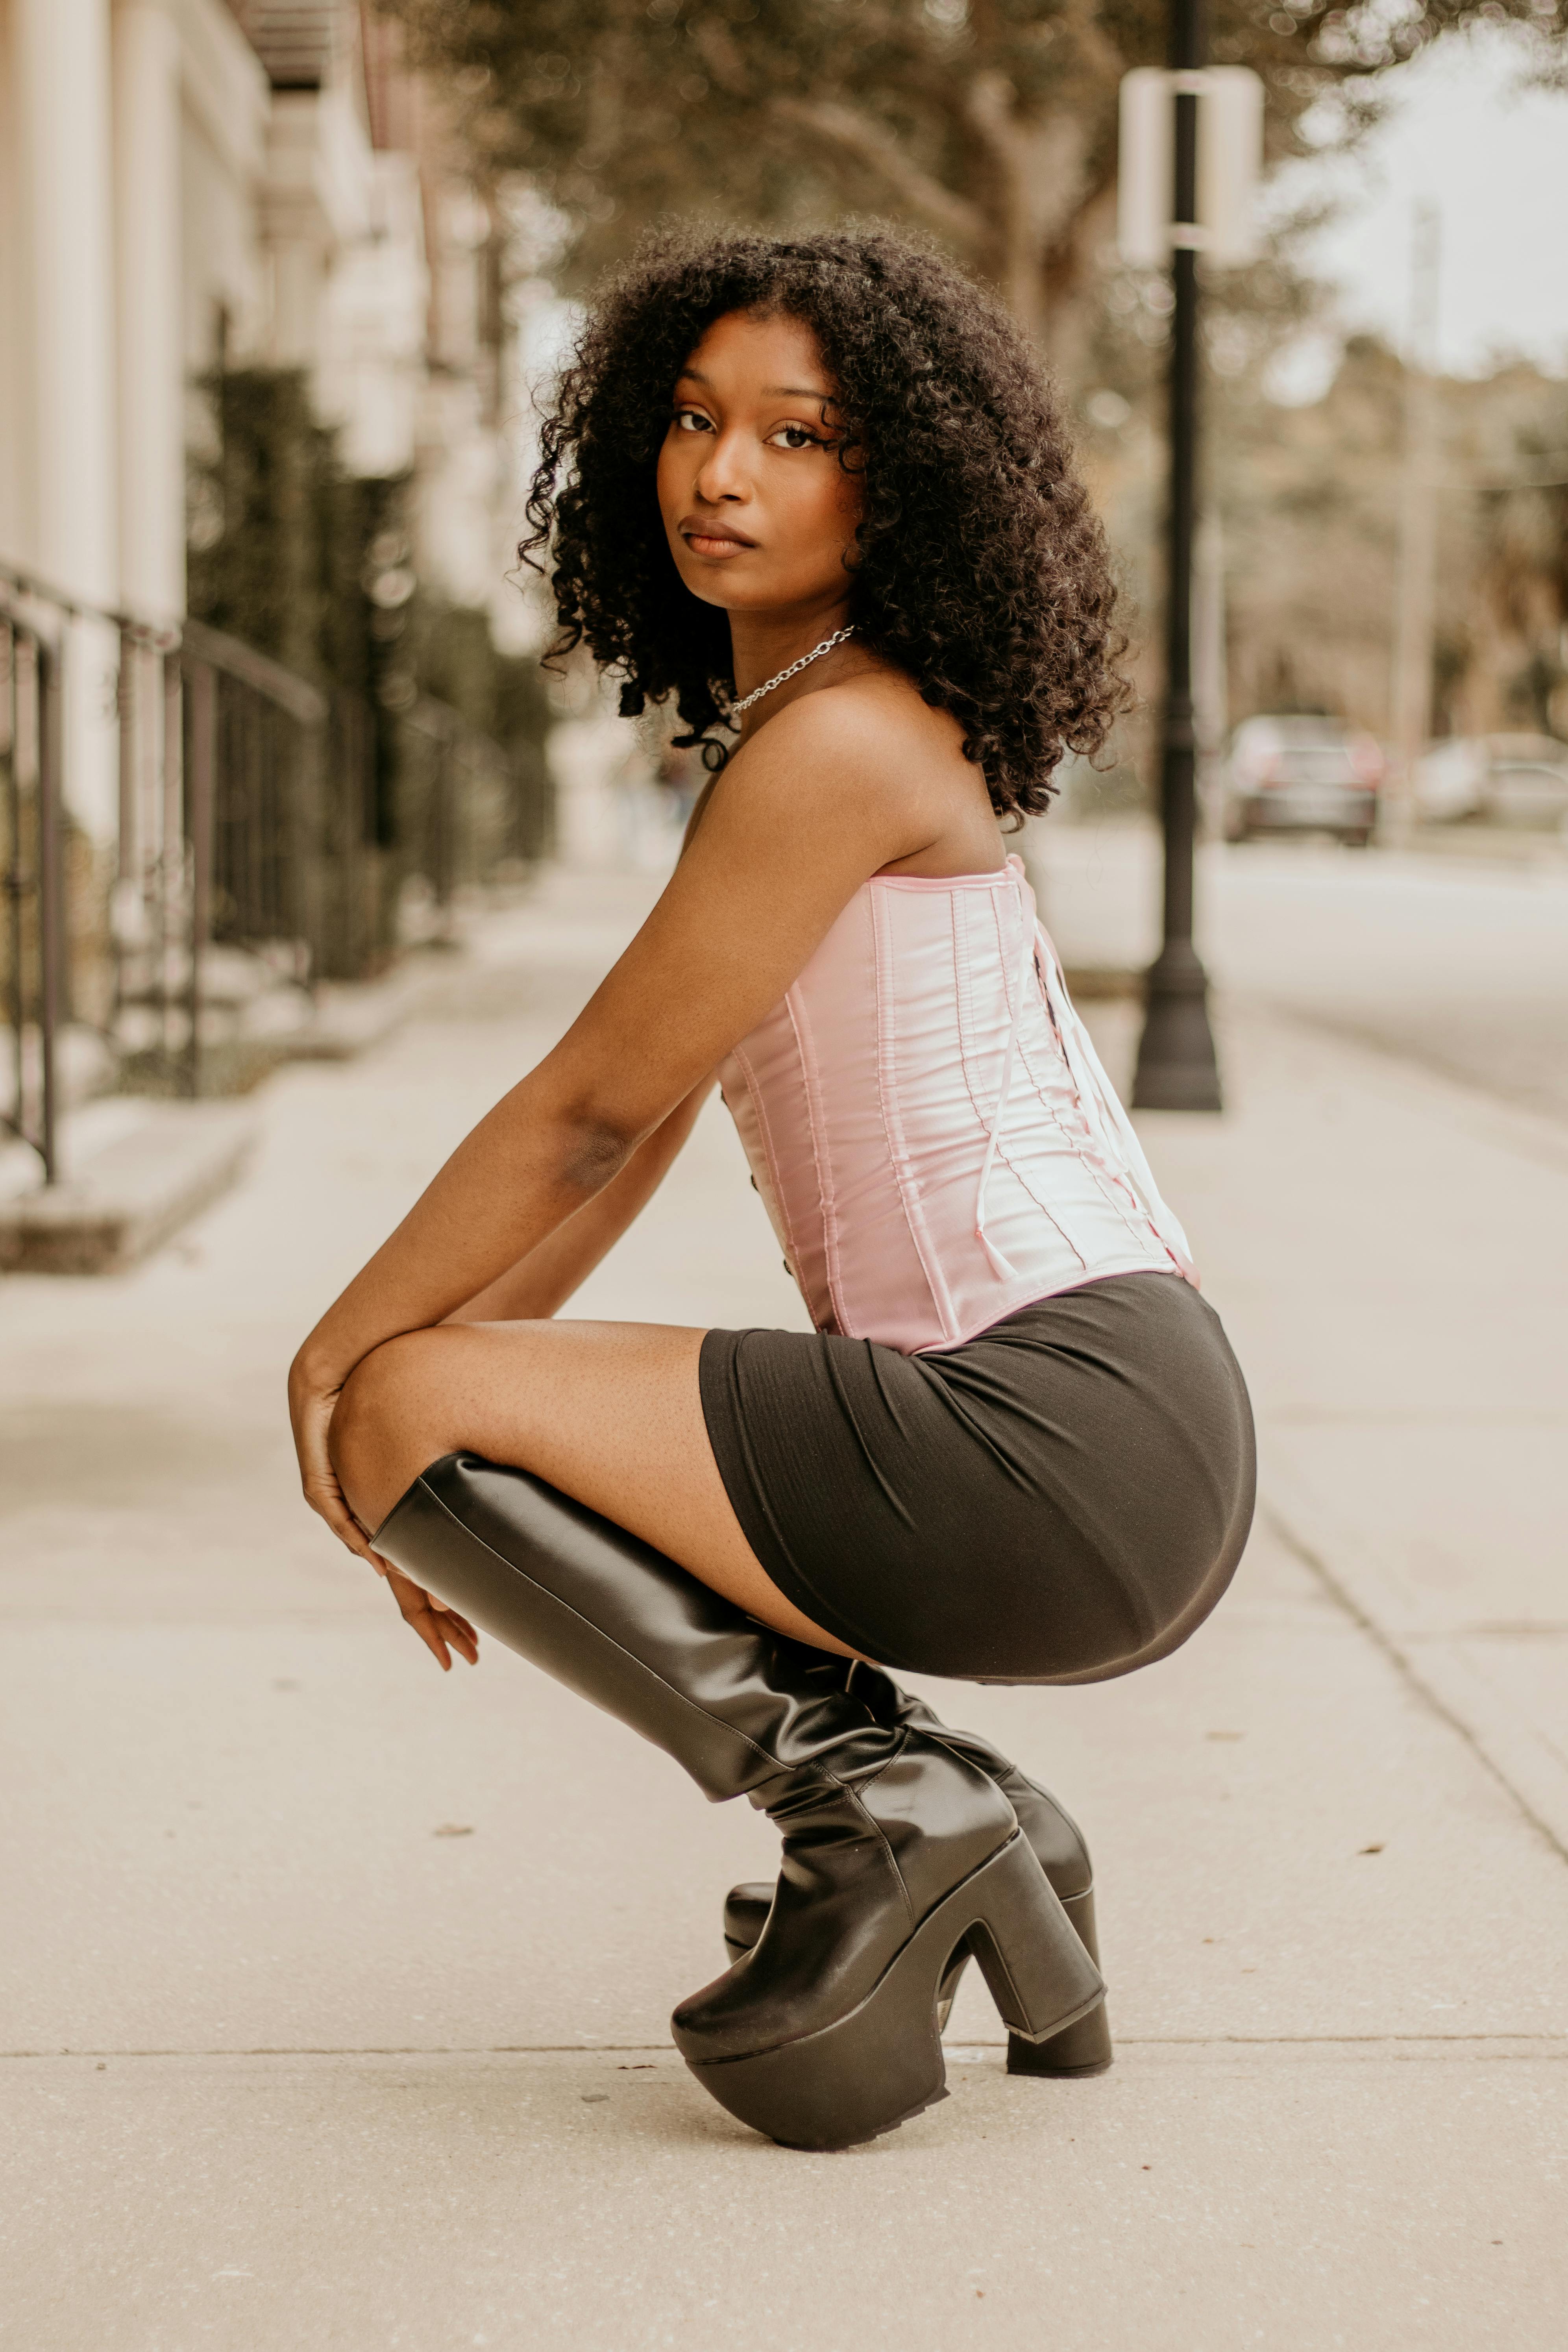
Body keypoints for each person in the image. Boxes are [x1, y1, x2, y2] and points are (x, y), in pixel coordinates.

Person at [288, 227, 1255, 2154]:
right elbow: (636, 1135)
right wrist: (460, 1418)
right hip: (1119, 1422)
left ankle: (893, 1813)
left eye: (795, 435)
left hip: (1049, 1427)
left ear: (899, 482)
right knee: (435, 1394)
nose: (718, 472)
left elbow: (576, 1112)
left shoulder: (834, 744)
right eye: (690, 418)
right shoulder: (825, 732)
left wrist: (344, 1376)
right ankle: (960, 1824)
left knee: (406, 1392)